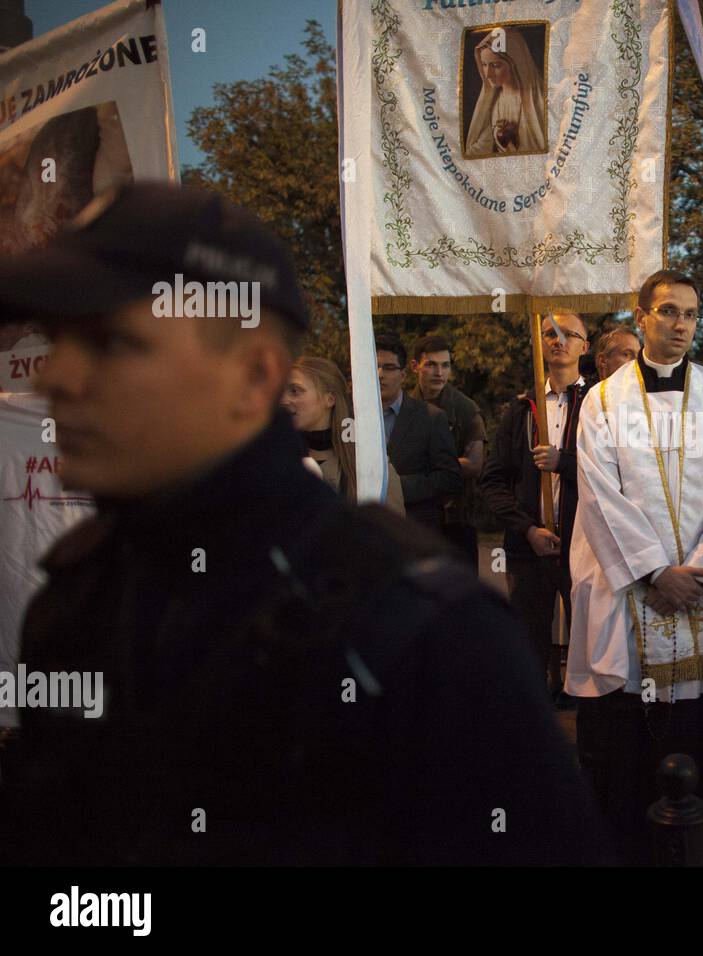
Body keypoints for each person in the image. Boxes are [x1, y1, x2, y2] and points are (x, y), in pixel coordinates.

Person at [0, 183, 609, 866]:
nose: (58, 378)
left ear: (253, 375)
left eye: (111, 342)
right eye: (57, 341)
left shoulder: (417, 629)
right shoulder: (74, 600)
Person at [566, 269, 703, 861]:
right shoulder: (602, 403)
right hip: (634, 593)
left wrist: (699, 571)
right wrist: (656, 571)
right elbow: (599, 494)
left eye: (689, 313)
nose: (680, 324)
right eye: (667, 312)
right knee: (628, 734)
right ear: (642, 315)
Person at [478, 311, 590, 701]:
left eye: (568, 334)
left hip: (585, 549)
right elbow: (492, 480)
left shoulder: (599, 405)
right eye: (549, 334)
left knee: (590, 644)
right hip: (529, 550)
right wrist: (527, 528)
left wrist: (567, 463)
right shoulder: (522, 408)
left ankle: (592, 740)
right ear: (539, 343)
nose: (558, 341)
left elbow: (619, 474)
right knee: (529, 648)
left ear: (584, 346)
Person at [283, 355, 406, 515]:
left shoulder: (371, 467)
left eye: (295, 391)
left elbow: (393, 532)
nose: (284, 400)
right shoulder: (274, 458)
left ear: (329, 399)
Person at [410, 335, 487, 568]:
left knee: (461, 593)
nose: (439, 372)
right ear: (415, 367)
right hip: (415, 514)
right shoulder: (405, 406)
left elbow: (475, 464)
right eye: (431, 365)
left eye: (445, 365)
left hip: (456, 518)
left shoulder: (465, 408)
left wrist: (428, 466)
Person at [375, 332, 462, 533]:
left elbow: (450, 478)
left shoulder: (431, 418)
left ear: (403, 374)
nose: (380, 374)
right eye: (375, 366)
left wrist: (395, 487)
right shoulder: (350, 416)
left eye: (388, 368)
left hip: (415, 531)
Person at [464, 28, 547, 159]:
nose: (487, 74)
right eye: (484, 65)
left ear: (515, 64)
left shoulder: (537, 100)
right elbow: (485, 144)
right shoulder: (495, 100)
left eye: (496, 66)